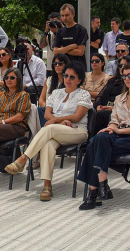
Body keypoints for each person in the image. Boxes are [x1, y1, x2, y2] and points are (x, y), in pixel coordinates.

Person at [5, 64, 92, 201]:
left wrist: (57, 120)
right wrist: (59, 122)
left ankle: (24, 158)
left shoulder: (84, 94)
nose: (67, 79)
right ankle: (47, 186)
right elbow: (46, 114)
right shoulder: (57, 93)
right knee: (48, 144)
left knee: (48, 128)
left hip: (77, 130)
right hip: (56, 129)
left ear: (79, 80)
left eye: (72, 77)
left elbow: (77, 117)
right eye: (65, 75)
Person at [78, 62, 130, 208]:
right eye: (124, 76)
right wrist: (111, 128)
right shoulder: (119, 98)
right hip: (115, 136)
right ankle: (101, 185)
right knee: (99, 138)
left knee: (94, 144)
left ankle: (94, 192)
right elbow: (114, 121)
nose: (126, 78)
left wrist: (119, 131)